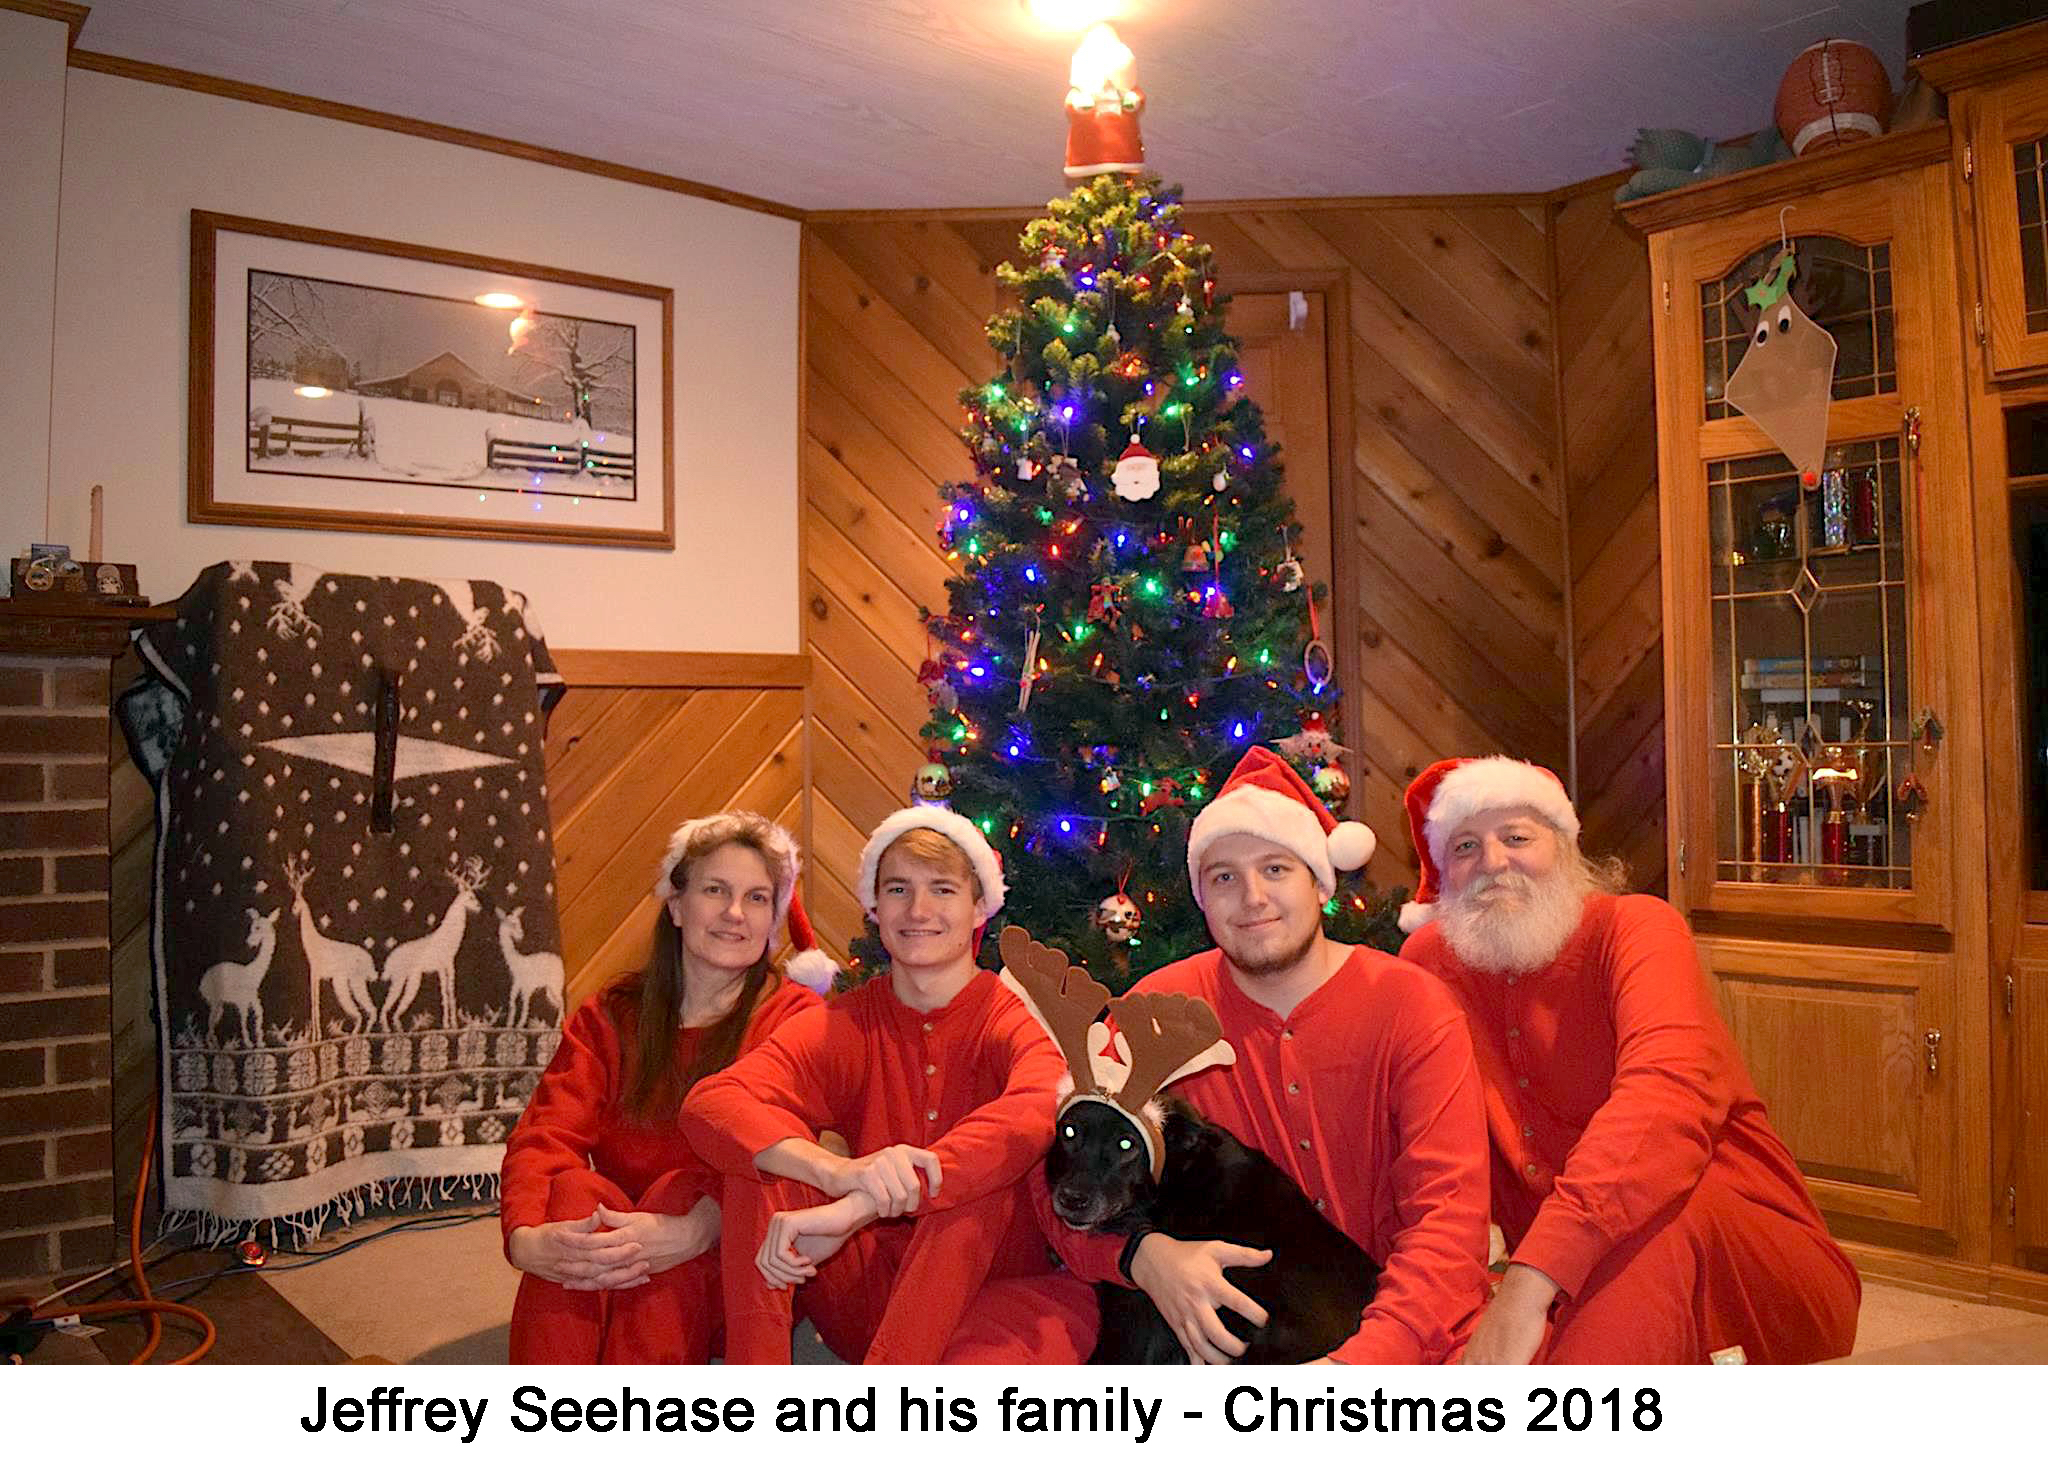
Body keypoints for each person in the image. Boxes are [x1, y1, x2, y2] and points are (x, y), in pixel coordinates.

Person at [1396, 755, 1862, 1364]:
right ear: (1443, 876)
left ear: (1565, 851)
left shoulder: (1637, 928)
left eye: (1517, 837)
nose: (1493, 863)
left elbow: (1663, 1103)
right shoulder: (1429, 962)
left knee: (1651, 1210)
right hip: (1571, 1285)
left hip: (1749, 1265)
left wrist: (1530, 1280)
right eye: (1463, 847)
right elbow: (1413, 1144)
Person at [1034, 747, 1493, 1364]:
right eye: (1224, 876)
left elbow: (1448, 1224)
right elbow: (1049, 1173)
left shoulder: (1413, 1006)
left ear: (1319, 883)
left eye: (1276, 869)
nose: (1252, 898)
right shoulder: (1153, 1012)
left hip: (1407, 1343)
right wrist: (1140, 1256)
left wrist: (1356, 1370)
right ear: (1201, 897)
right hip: (1224, 1343)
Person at [679, 806, 1097, 1364]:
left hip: (992, 1297)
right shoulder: (846, 1024)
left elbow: (1035, 1113)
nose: (918, 910)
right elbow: (713, 1104)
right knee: (762, 1166)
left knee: (976, 1179)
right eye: (898, 889)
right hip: (869, 1291)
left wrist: (858, 1206)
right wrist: (837, 1172)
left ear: (980, 908)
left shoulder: (1011, 1020)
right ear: (875, 909)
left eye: (942, 890)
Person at [499, 810, 835, 1363]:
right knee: (574, 1197)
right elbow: (545, 1135)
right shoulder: (611, 1013)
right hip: (616, 1237)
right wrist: (527, 1238)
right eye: (715, 890)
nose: (734, 913)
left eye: (756, 898)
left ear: (773, 921)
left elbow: (790, 1160)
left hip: (735, 1261)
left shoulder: (792, 1016)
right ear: (677, 906)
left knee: (680, 1189)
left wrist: (700, 1225)